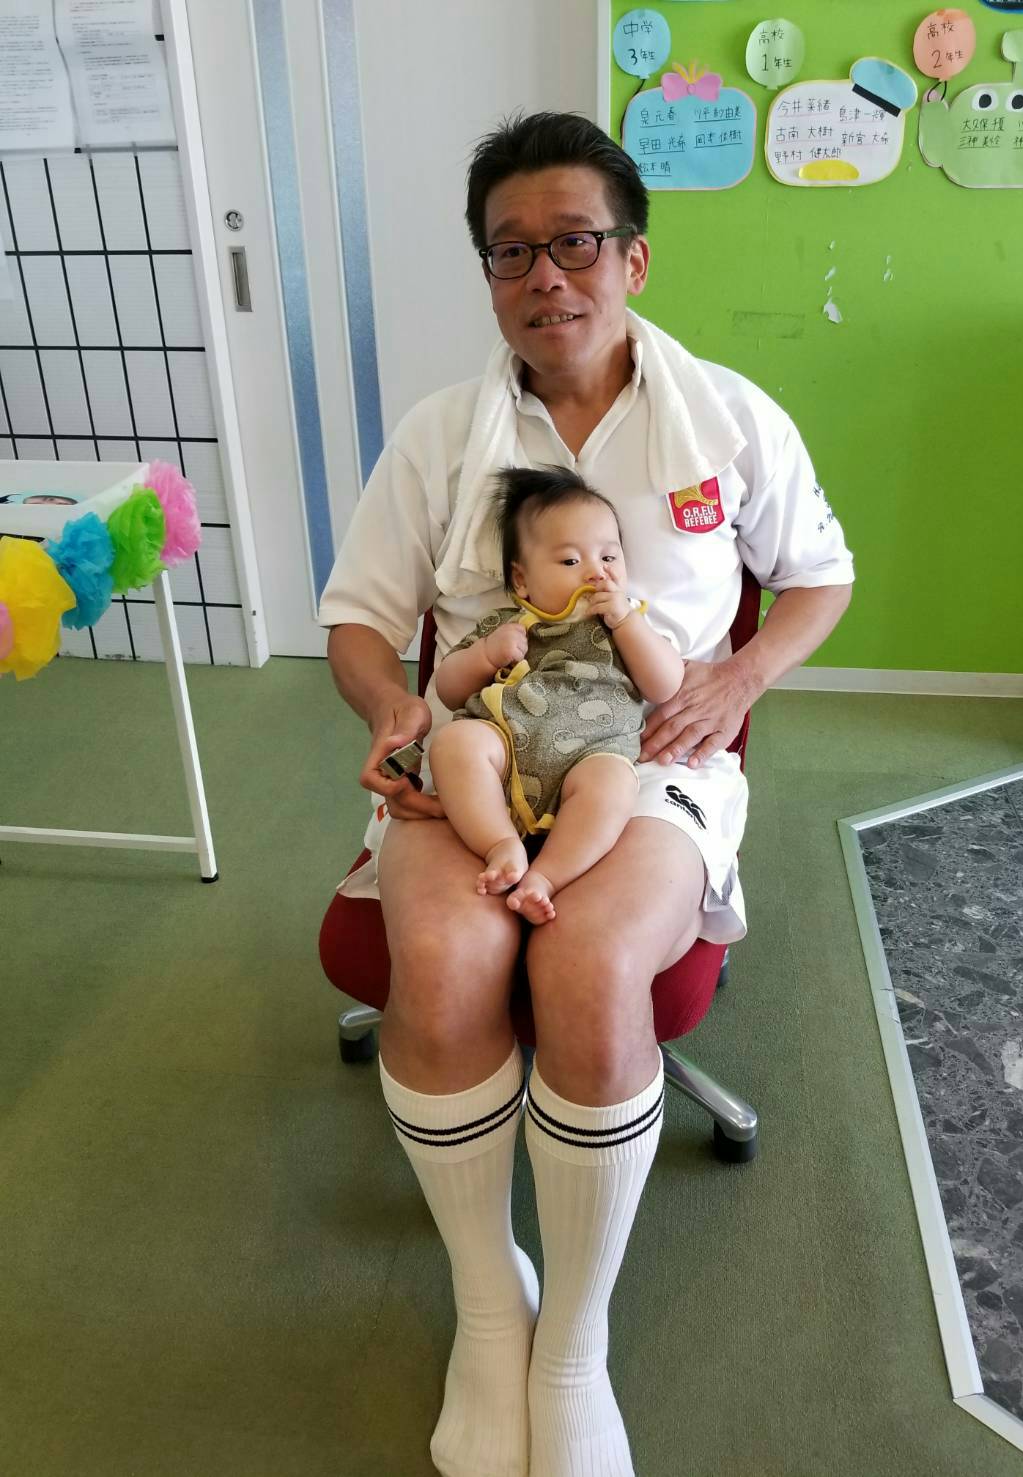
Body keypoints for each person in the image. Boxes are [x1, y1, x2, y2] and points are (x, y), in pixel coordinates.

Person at [320, 111, 854, 1477]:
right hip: (484, 748)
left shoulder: (728, 416)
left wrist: (738, 679)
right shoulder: (441, 434)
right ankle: (489, 1308)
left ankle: (574, 1344)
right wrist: (394, 709)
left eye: (574, 243)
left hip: (647, 760)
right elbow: (362, 619)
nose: (544, 276)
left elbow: (819, 576)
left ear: (634, 258)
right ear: (488, 274)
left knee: (591, 965)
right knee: (445, 961)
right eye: (511, 252)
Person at [428, 464, 683, 924]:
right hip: (507, 747)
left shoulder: (627, 627)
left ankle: (547, 876)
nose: (596, 573)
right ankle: (498, 842)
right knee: (454, 742)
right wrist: (485, 655)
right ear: (521, 581)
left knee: (614, 785)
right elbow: (448, 690)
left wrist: (627, 623)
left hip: (593, 753)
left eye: (609, 557)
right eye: (570, 562)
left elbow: (665, 683)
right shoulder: (506, 626)